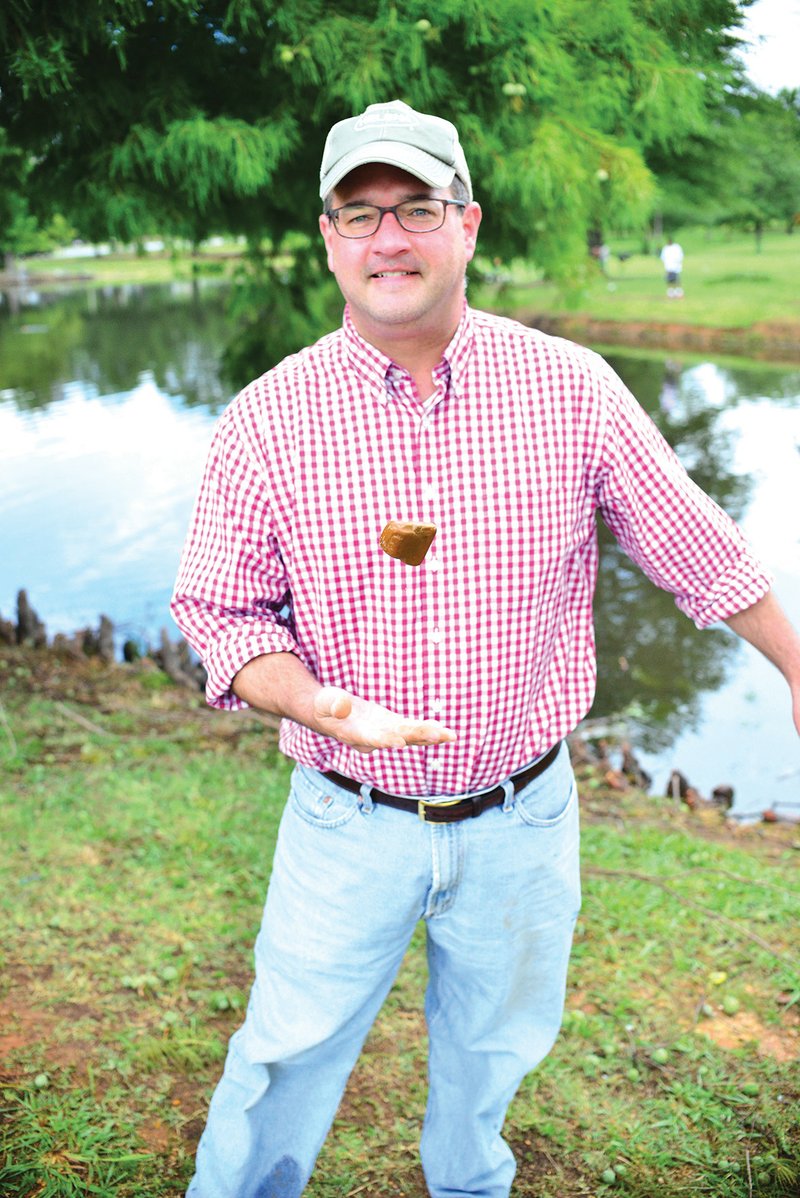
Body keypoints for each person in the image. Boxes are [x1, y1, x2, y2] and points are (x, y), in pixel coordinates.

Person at [171, 99, 800, 1198]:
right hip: (343, 817)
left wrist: (796, 662)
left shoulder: (570, 388)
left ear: (467, 224)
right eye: (358, 213)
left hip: (523, 815)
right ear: (329, 240)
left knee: (489, 1064)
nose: (388, 238)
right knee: (281, 1060)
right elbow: (220, 613)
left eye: (415, 207)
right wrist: (320, 704)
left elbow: (691, 542)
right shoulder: (267, 419)